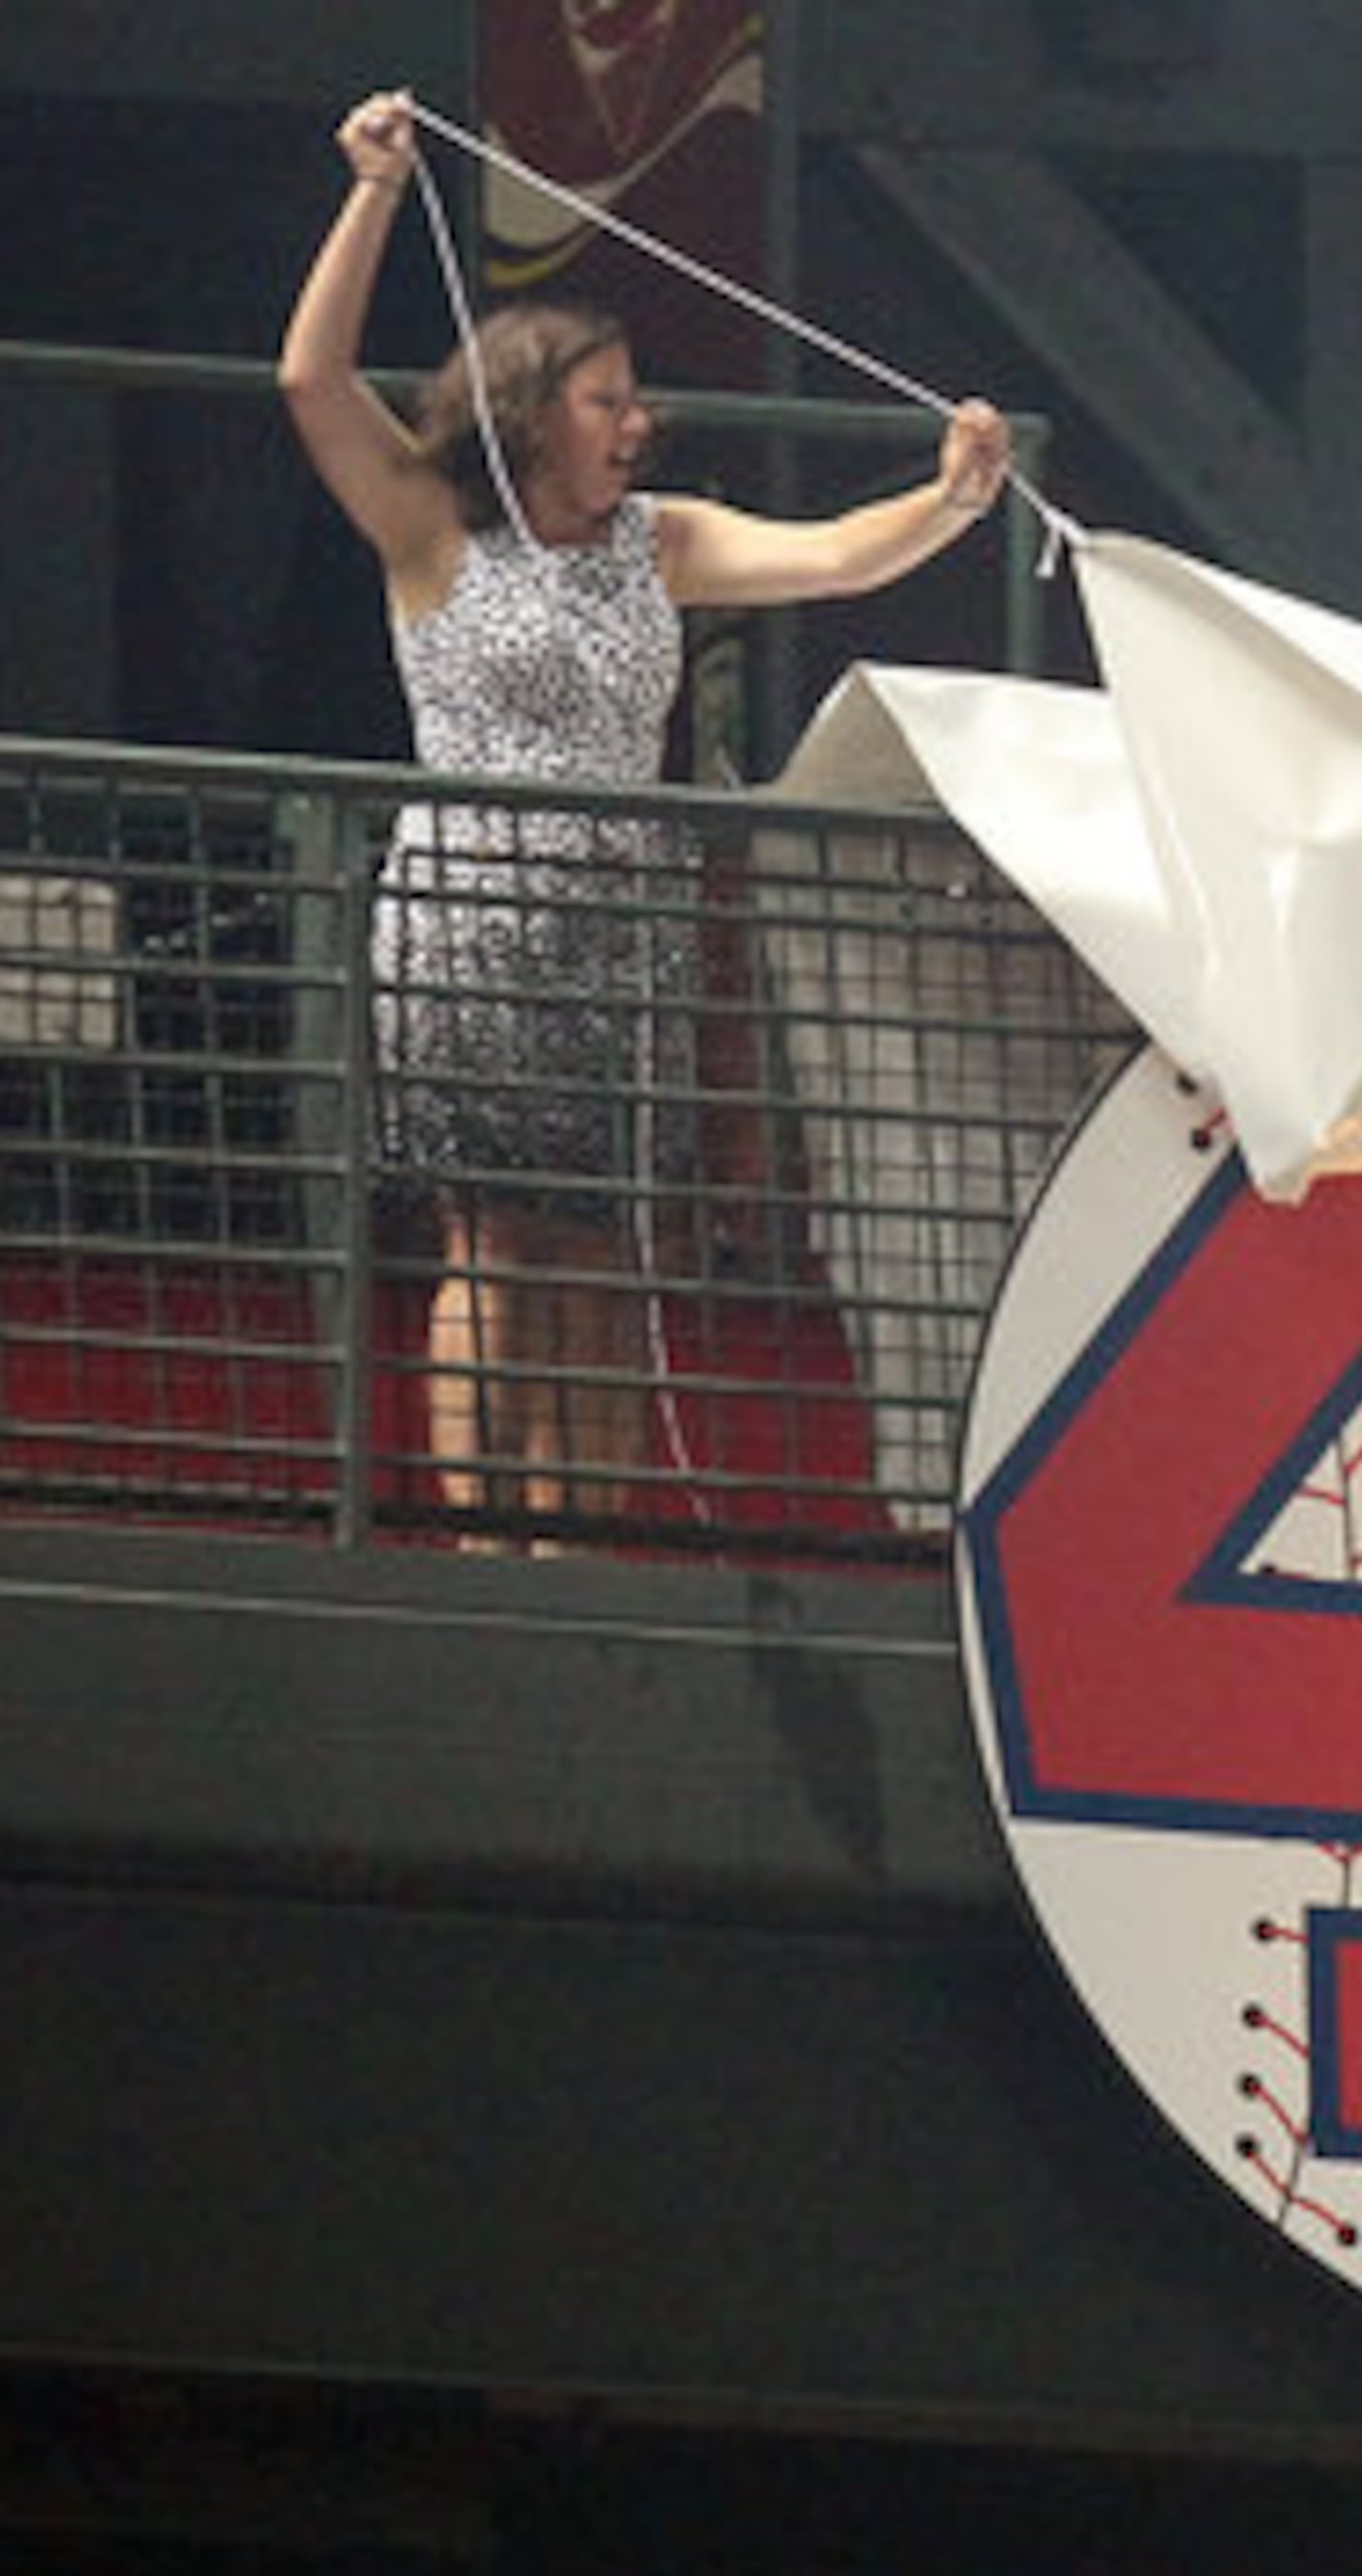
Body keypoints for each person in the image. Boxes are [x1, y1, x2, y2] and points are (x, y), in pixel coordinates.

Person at [278, 89, 1012, 1547]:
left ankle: (574, 1546)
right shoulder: (430, 526)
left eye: (634, 400)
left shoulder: (656, 540)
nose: (638, 421)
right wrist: (372, 190)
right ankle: (488, 1548)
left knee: (605, 1259)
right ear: (533, 413)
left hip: (621, 938)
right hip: (467, 935)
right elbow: (311, 378)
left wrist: (952, 499)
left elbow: (834, 560)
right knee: (491, 1247)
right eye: (609, 400)